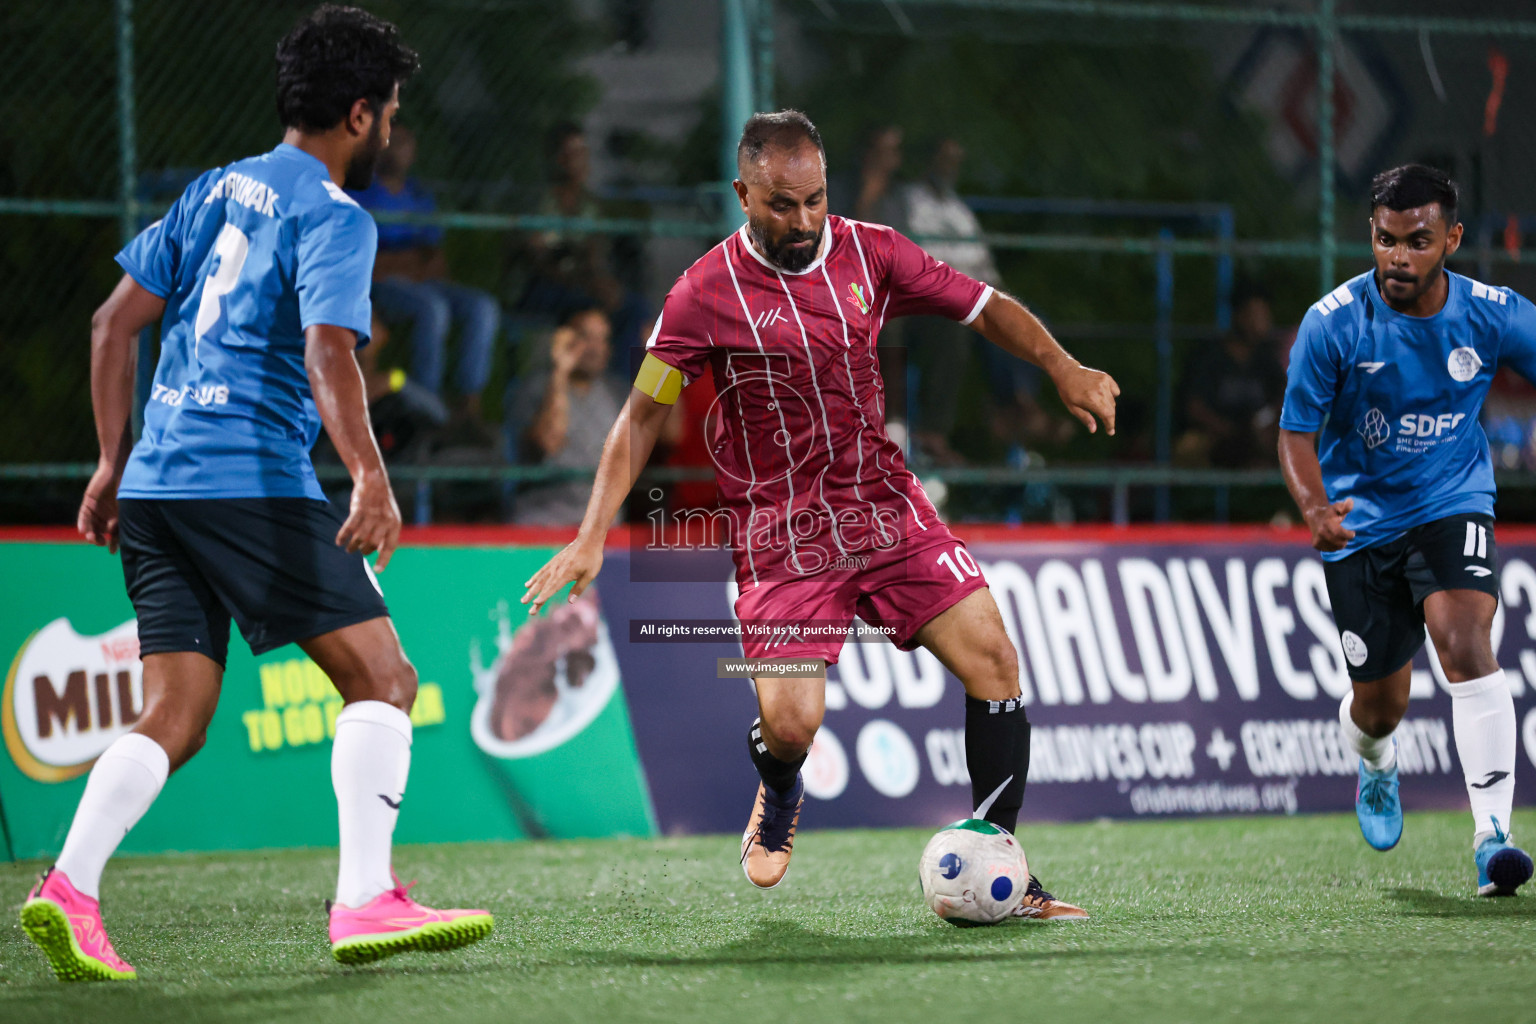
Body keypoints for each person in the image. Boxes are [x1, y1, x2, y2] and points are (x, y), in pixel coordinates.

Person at [521, 110, 1119, 918]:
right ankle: (779, 783)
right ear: (743, 193)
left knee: (994, 661)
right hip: (783, 534)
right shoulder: (702, 293)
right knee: (794, 724)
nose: (803, 222)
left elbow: (985, 308)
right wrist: (594, 533)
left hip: (884, 508)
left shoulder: (872, 250)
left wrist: (1062, 364)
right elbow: (643, 414)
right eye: (781, 204)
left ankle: (1000, 858)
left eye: (814, 200)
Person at [19, 6, 492, 983]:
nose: (393, 130)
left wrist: (111, 463)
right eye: (391, 111)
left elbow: (114, 328)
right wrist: (369, 472)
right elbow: (329, 352)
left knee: (177, 716)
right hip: (251, 485)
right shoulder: (335, 215)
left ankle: (68, 886)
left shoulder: (208, 191)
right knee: (384, 678)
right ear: (359, 114)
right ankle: (365, 898)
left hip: (155, 486)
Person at [1279, 164, 1534, 896]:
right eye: (1386, 240)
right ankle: (1376, 761)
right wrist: (1314, 507)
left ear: (1451, 238)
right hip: (1360, 525)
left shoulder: (1492, 313)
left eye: (1417, 241)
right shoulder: (1334, 322)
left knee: (1465, 641)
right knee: (1379, 706)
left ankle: (1493, 838)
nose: (1398, 257)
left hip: (1453, 503)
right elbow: (1296, 432)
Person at [349, 124, 501, 444]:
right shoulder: (361, 191)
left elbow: (436, 262)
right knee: (433, 308)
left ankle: (468, 405)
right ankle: (430, 406)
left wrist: (403, 259)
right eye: (393, 141)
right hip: (379, 286)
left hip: (419, 281)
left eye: (406, 143)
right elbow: (367, 261)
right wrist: (410, 259)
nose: (399, 149)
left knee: (483, 307)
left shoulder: (419, 195)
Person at [506, 307, 628, 525]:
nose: (595, 348)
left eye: (602, 339)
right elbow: (548, 442)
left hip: (602, 523)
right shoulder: (535, 387)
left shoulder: (617, 392)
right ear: (564, 339)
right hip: (542, 518)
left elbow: (671, 435)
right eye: (585, 337)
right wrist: (560, 371)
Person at [1176, 288, 1286, 468]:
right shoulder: (1211, 356)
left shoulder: (1266, 359)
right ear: (1240, 316)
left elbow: (1284, 396)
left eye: (1265, 315)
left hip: (1257, 439)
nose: (1263, 323)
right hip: (1215, 439)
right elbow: (1194, 407)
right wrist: (1231, 432)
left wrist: (1265, 426)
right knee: (1189, 447)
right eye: (1256, 315)